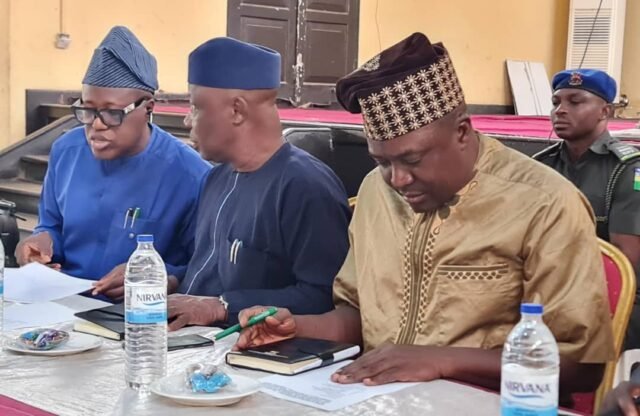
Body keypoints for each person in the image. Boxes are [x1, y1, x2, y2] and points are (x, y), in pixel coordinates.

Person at [234, 32, 615, 403]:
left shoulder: (544, 202)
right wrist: (298, 327)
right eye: (382, 162)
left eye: (413, 159)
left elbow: (581, 365)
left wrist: (440, 360)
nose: (397, 180)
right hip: (379, 401)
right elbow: (357, 314)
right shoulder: (375, 191)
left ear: (462, 132)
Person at [166, 37, 351, 330]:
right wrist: (167, 279)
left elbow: (325, 297)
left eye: (195, 107)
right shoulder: (216, 178)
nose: (188, 121)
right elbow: (207, 271)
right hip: (184, 339)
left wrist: (223, 307)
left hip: (249, 347)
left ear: (236, 111)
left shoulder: (305, 186)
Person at [15, 26, 211, 299]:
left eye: (112, 113)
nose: (96, 125)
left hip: (139, 313)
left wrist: (158, 277)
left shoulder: (191, 174)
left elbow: (205, 267)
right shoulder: (66, 151)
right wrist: (40, 243)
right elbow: (51, 225)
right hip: (63, 304)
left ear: (148, 108)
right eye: (87, 110)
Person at [534, 69, 640, 349]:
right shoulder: (542, 166)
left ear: (605, 111)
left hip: (617, 299)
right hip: (549, 294)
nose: (560, 110)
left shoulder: (628, 170)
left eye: (575, 102)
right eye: (556, 102)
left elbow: (623, 262)